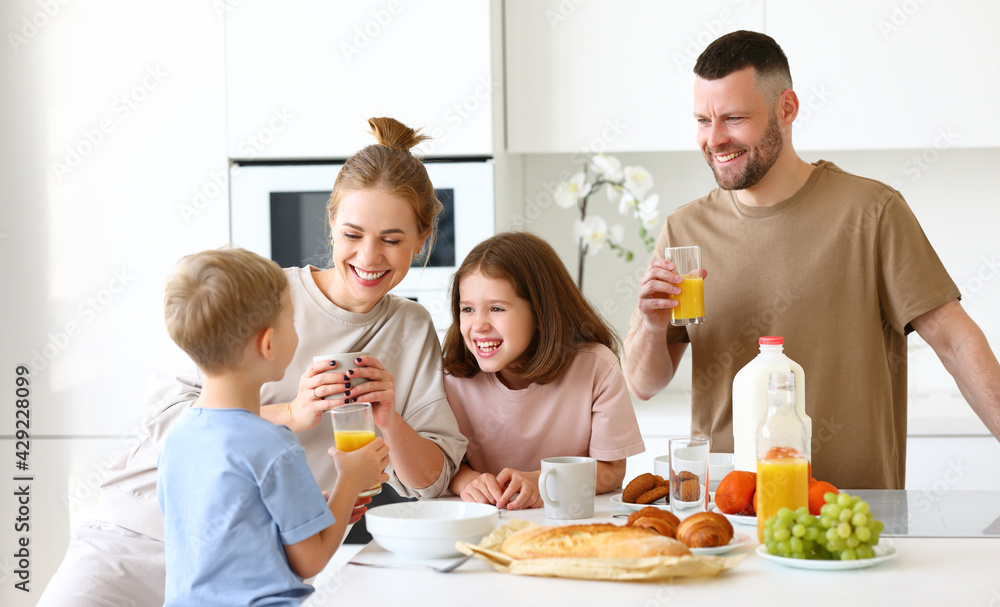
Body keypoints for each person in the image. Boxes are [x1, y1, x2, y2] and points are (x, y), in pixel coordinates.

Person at [39, 117, 468, 606]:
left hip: (248, 571)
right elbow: (166, 422)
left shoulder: (411, 327)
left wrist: (389, 423)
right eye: (353, 233)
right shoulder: (266, 295)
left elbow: (431, 484)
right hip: (140, 537)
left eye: (392, 240)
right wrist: (291, 415)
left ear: (422, 236)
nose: (369, 256)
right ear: (331, 224)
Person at [621, 30, 1000, 490]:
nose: (714, 139)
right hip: (730, 511)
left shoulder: (872, 213)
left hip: (854, 509)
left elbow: (956, 344)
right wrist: (653, 325)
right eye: (703, 120)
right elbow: (642, 384)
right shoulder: (686, 230)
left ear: (787, 108)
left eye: (734, 118)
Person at [156, 248, 389, 605]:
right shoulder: (272, 444)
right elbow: (310, 561)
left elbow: (228, 538)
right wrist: (350, 481)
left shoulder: (177, 439)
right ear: (268, 344)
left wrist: (311, 509)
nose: (295, 332)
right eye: (291, 321)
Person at [442, 231, 645, 509]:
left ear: (540, 313)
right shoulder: (450, 378)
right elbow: (439, 464)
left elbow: (611, 470)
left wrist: (545, 480)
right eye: (467, 309)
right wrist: (466, 481)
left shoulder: (597, 367)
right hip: (481, 523)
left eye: (497, 308)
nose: (478, 325)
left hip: (569, 523)